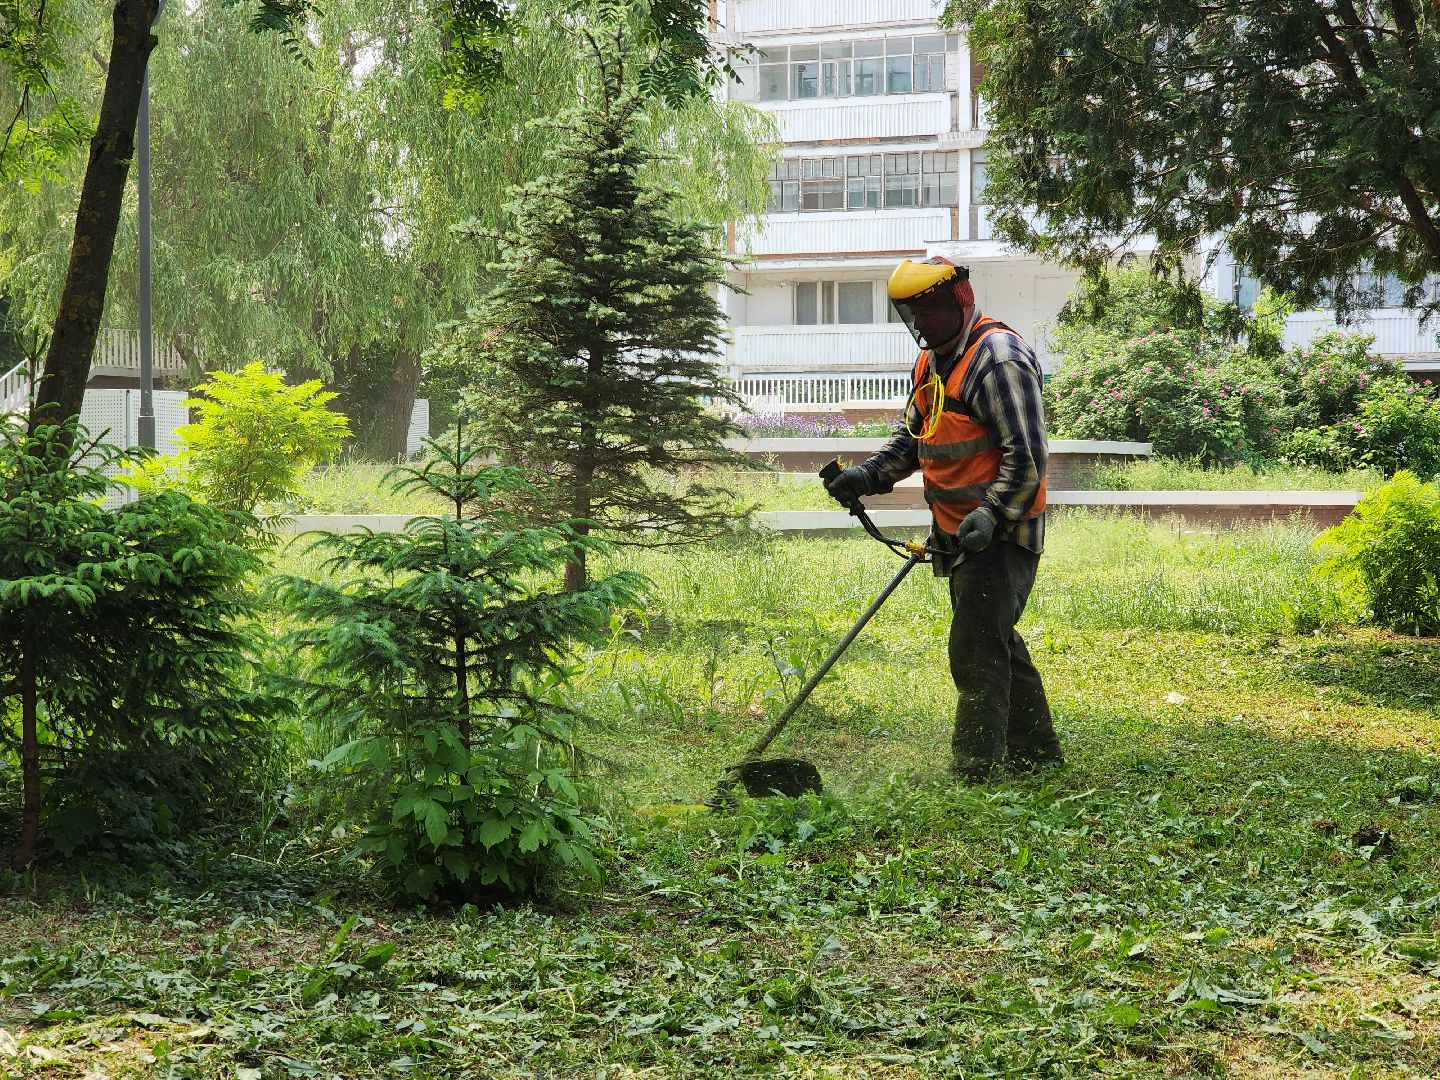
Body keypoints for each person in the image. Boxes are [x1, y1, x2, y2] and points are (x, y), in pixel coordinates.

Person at [823, 256, 1063, 781]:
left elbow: (1027, 457)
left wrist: (992, 513)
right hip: (957, 531)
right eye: (910, 314)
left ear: (958, 302)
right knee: (992, 637)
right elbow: (915, 438)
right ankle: (1037, 755)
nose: (920, 324)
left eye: (928, 311)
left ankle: (975, 769)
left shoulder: (997, 359)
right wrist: (865, 477)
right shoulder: (933, 362)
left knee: (975, 647)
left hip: (1001, 531)